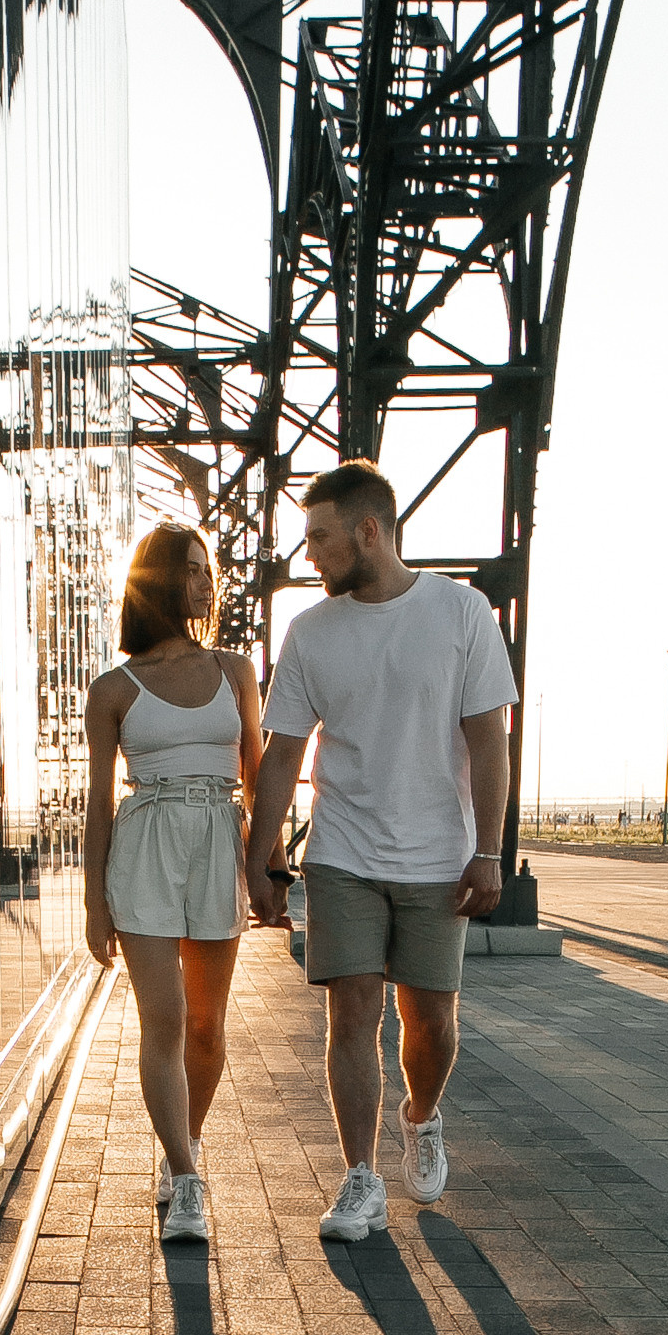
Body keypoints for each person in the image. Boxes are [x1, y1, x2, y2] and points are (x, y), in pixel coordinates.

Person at [242, 460, 513, 1242]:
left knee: (428, 1020)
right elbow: (282, 753)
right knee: (350, 1012)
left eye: (321, 538)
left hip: (438, 856)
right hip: (343, 855)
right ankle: (359, 1178)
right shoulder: (309, 633)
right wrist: (260, 862)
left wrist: (487, 852)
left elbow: (488, 742)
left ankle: (421, 1117)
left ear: (368, 530)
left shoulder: (461, 613)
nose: (309, 555)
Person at [82, 522, 264, 1246]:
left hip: (217, 841)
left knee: (205, 1026)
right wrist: (95, 904)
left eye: (205, 570)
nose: (204, 583)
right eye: (190, 570)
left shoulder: (236, 670)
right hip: (145, 843)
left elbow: (255, 775)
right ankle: (187, 1176)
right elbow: (99, 802)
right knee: (162, 1021)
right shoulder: (112, 689)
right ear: (159, 581)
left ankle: (177, 1147)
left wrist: (267, 866)